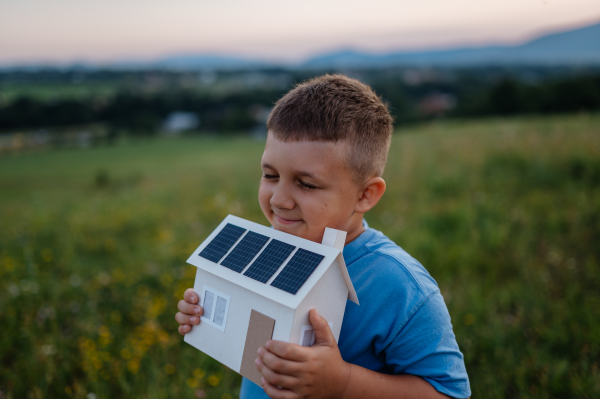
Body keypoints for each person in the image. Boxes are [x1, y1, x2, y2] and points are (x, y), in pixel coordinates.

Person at [175, 74, 471, 399]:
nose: (278, 199)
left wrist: (342, 383)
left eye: (307, 184)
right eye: (270, 175)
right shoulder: (264, 250)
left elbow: (448, 393)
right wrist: (207, 311)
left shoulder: (399, 287)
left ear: (365, 195)